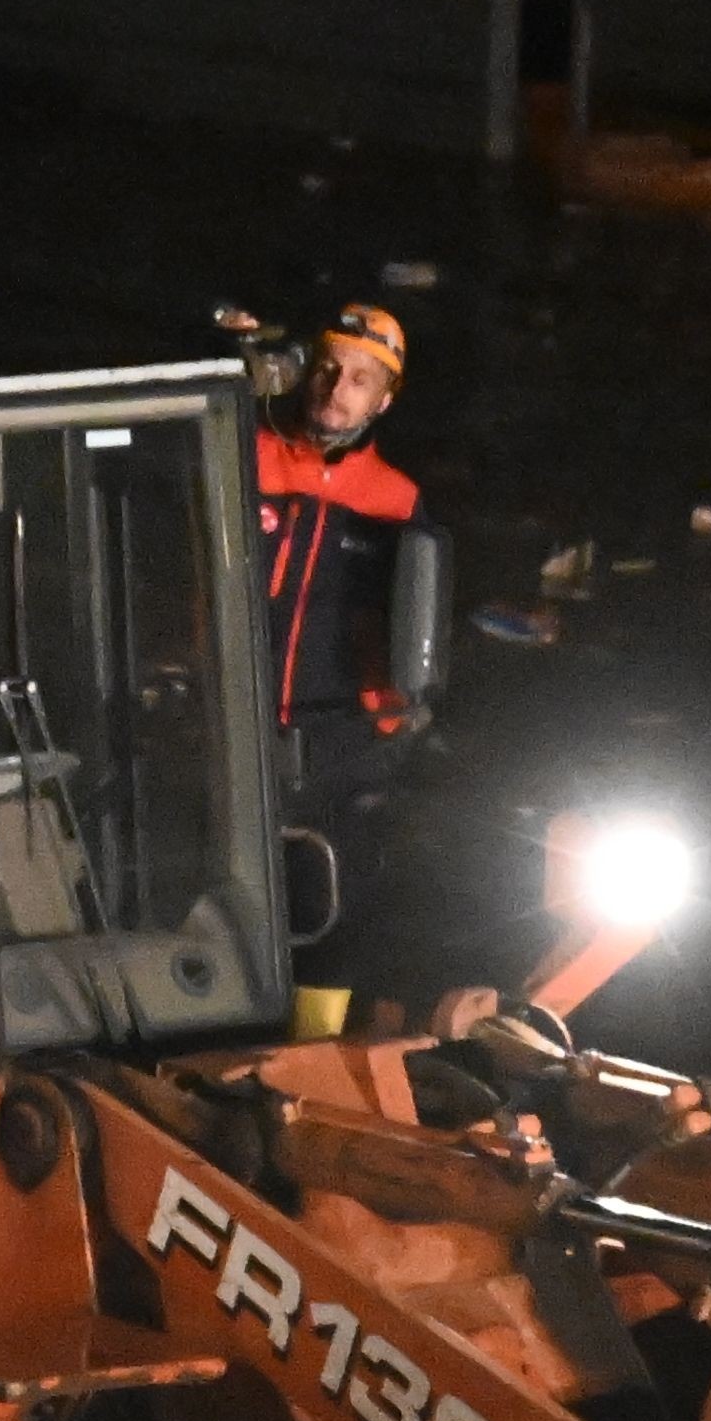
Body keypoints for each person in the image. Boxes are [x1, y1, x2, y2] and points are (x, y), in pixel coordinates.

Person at [252, 301, 433, 1035]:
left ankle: (311, 1052)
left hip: (331, 740)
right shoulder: (245, 454)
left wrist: (387, 720)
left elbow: (409, 619)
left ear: (383, 399)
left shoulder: (396, 499)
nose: (336, 387)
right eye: (329, 368)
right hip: (232, 722)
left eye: (360, 378)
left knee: (330, 912)